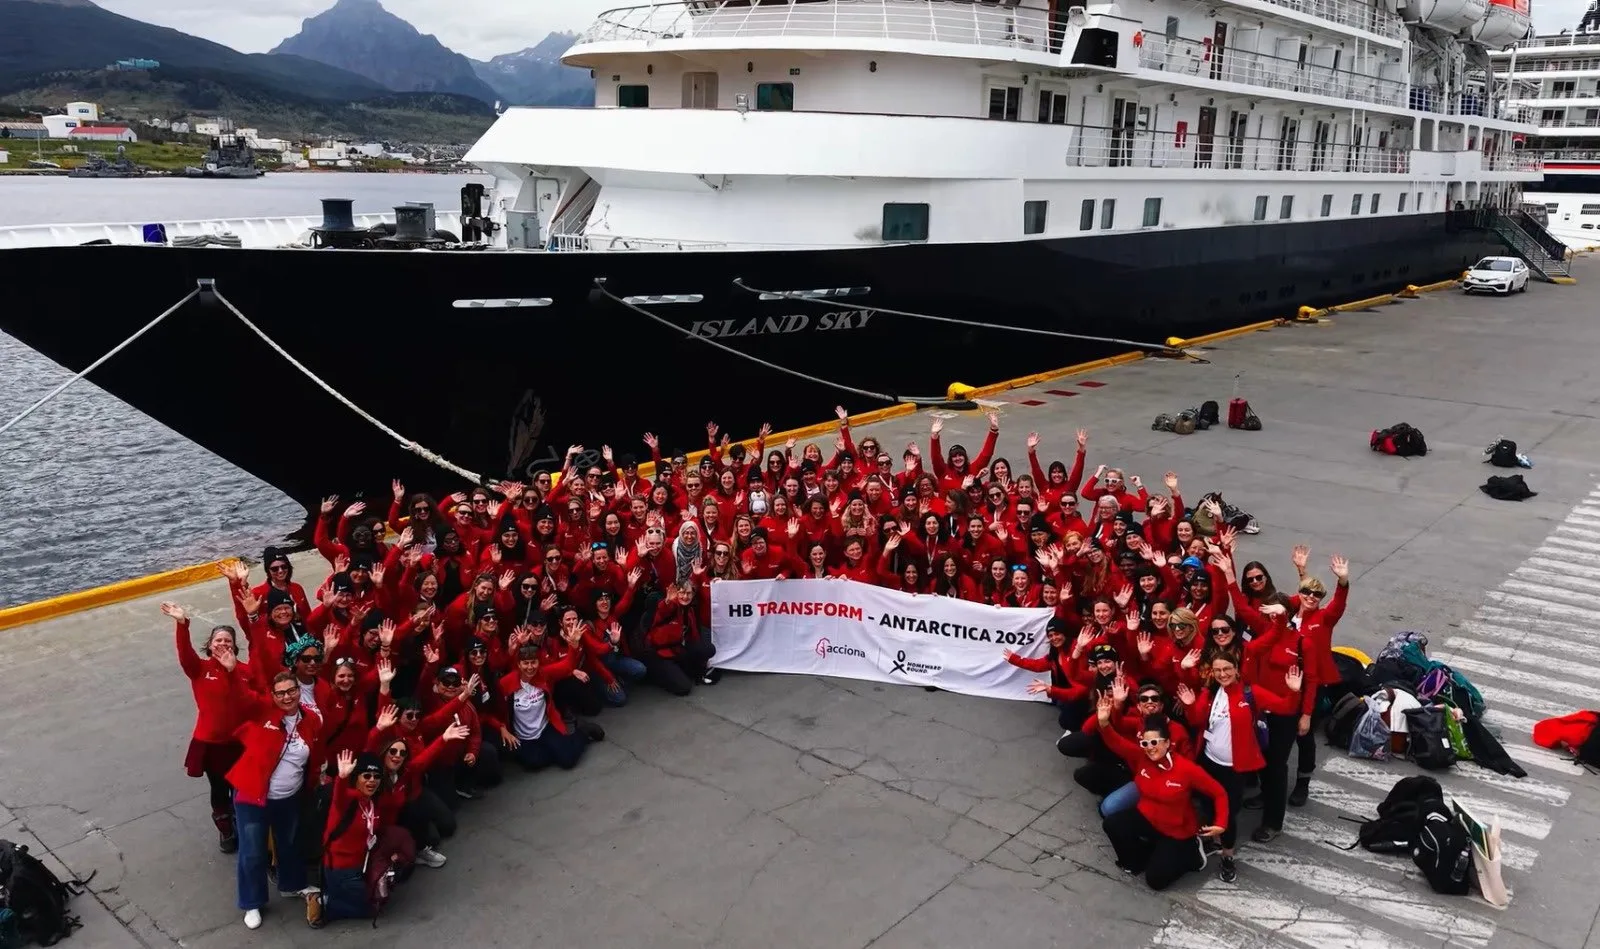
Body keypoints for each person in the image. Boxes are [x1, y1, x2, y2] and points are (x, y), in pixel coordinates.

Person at [1177, 651, 1302, 882]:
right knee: (1207, 803)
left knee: (1229, 814)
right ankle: (1215, 841)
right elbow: (1196, 720)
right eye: (1218, 670)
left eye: (1227, 669)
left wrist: (1294, 691)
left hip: (1233, 768)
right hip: (1207, 760)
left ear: (1236, 669)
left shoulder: (1251, 693)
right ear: (1212, 673)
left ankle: (1227, 855)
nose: (1222, 674)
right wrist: (1189, 706)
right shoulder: (1210, 692)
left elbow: (1285, 708)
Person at [226, 667, 325, 930]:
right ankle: (251, 903)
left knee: (290, 843)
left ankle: (292, 885)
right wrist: (232, 671)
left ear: (298, 691)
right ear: (273, 696)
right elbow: (242, 697)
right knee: (253, 852)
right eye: (280, 693)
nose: (287, 697)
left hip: (289, 797)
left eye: (291, 691)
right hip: (253, 796)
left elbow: (314, 755)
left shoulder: (312, 719)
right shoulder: (263, 712)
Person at [1096, 695, 1227, 890]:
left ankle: (1194, 853)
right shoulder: (1142, 757)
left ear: (1167, 743)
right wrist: (1104, 722)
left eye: (1155, 742)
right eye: (1146, 743)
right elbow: (1116, 743)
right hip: (1148, 819)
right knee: (1112, 823)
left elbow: (1219, 793)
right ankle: (1134, 863)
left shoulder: (1186, 769)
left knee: (1156, 881)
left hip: (1177, 831)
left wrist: (1221, 823)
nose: (1150, 748)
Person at [166, 602, 249, 853]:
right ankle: (226, 830)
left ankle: (246, 825)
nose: (222, 644)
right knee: (219, 788)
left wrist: (232, 671)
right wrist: (182, 624)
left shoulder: (245, 671)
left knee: (244, 787)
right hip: (212, 744)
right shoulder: (199, 670)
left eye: (227, 640)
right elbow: (184, 653)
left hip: (240, 742)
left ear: (234, 646)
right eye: (217, 640)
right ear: (210, 645)